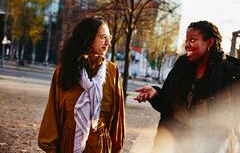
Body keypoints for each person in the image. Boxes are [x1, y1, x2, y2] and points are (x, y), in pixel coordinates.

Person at [134, 20, 240, 152]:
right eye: (187, 40)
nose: (187, 45)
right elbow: (166, 106)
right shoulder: (181, 66)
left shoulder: (230, 73)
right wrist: (154, 94)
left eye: (193, 40)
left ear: (210, 42)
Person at [38, 16, 125, 153]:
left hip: (100, 147)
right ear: (88, 38)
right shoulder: (64, 71)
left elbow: (117, 118)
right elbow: (52, 114)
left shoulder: (112, 72)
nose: (108, 42)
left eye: (109, 37)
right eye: (103, 37)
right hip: (69, 146)